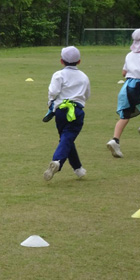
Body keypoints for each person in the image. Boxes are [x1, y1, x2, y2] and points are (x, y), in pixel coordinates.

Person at [106, 28, 140, 158]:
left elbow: (124, 73)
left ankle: (115, 140)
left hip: (127, 86)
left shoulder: (129, 54)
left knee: (125, 116)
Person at [43, 46, 90, 181]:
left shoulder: (58, 75)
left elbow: (53, 92)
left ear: (61, 61)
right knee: (68, 138)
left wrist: (50, 103)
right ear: (79, 61)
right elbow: (87, 95)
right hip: (77, 111)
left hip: (60, 111)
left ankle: (78, 169)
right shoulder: (84, 77)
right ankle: (57, 161)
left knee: (66, 138)